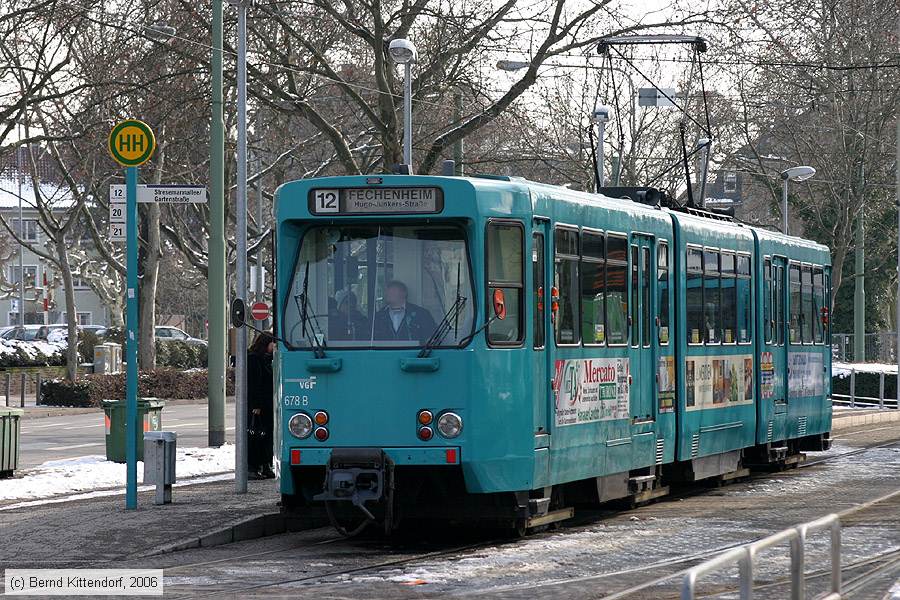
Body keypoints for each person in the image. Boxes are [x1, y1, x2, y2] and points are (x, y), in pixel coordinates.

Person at [247, 332, 275, 479]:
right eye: (272, 344)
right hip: (259, 406)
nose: (274, 347)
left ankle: (265, 465)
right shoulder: (254, 359)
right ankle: (253, 467)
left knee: (266, 436)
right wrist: (256, 405)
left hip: (267, 405)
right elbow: (255, 384)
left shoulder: (266, 359)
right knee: (257, 436)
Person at [372, 280, 436, 343]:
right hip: (384, 353)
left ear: (404, 293)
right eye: (387, 290)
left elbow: (431, 340)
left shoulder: (421, 314)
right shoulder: (378, 316)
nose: (388, 292)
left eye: (393, 290)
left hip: (416, 353)